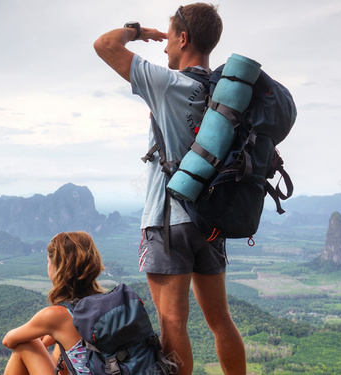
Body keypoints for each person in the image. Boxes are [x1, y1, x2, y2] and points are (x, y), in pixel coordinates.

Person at [93, 3, 245, 375]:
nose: (163, 48)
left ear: (183, 38)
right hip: (210, 218)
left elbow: (104, 44)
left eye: (167, 39)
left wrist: (138, 31)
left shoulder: (167, 83)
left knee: (172, 322)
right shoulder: (226, 94)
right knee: (220, 320)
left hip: (168, 220)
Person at [2, 231, 106, 375]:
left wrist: (42, 334)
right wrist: (51, 334)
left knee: (27, 343)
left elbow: (8, 340)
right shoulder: (107, 302)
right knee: (61, 345)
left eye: (49, 262)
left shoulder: (57, 315)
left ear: (57, 268)